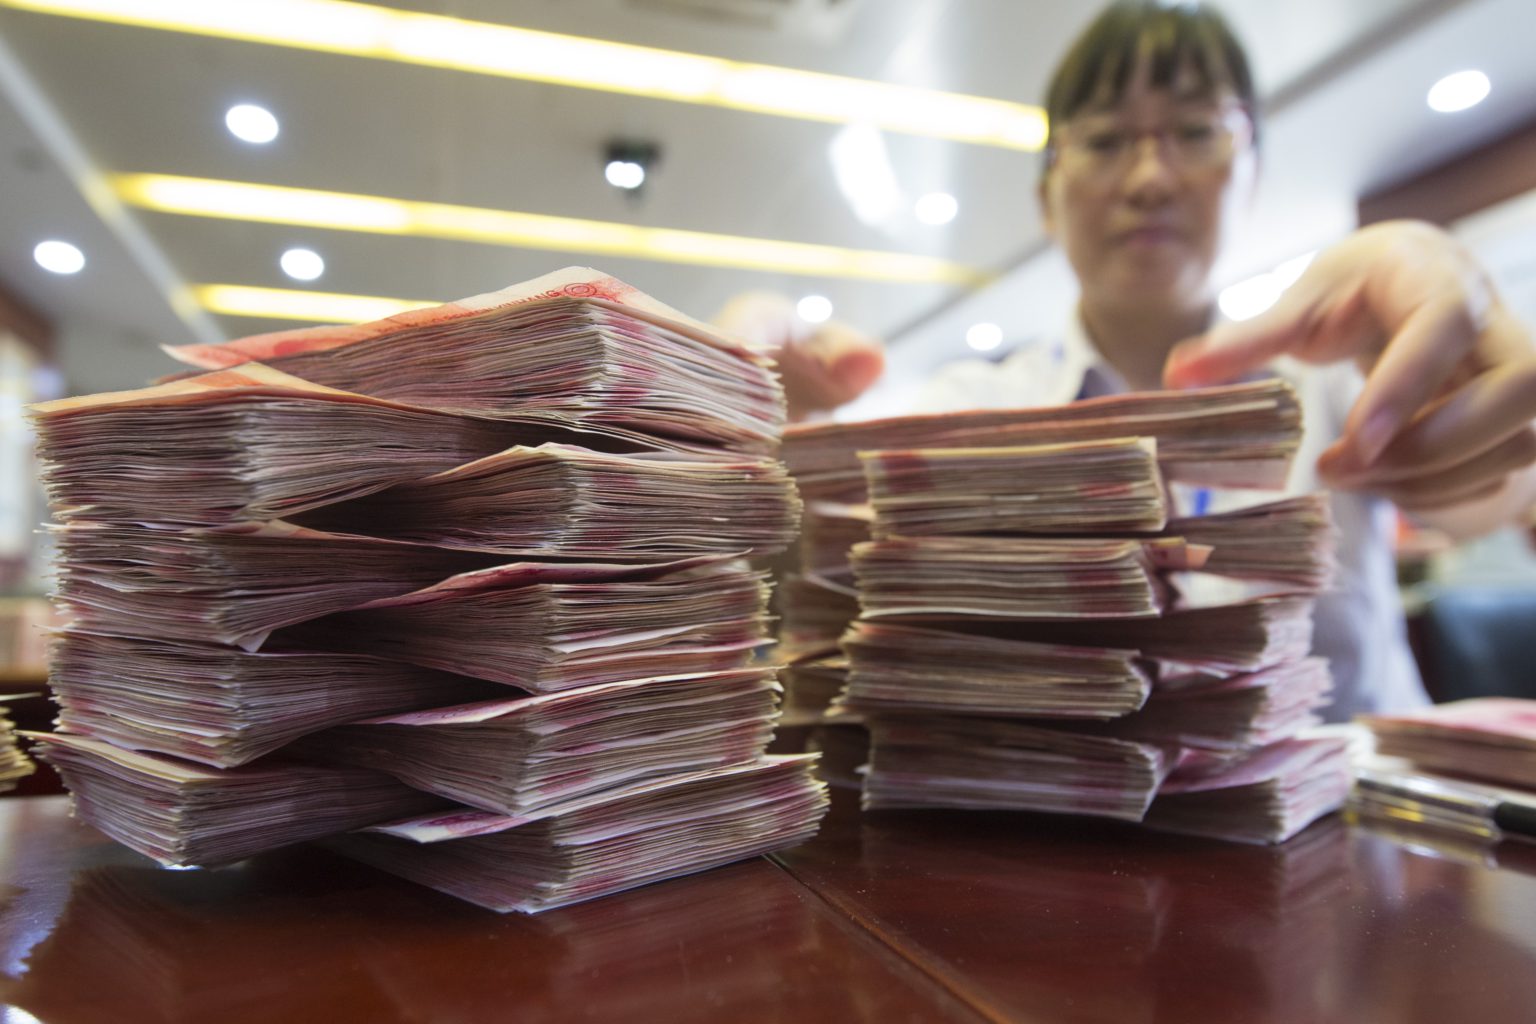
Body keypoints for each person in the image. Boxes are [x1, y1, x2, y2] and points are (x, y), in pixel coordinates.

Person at [771, 0, 1536, 721]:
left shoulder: (1343, 374)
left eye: (1196, 132)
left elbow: (1496, 497)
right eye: (1105, 141)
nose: (1149, 179)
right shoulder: (961, 418)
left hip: (1359, 814)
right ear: (1046, 198)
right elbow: (842, 587)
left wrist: (1472, 381)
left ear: (1252, 173)